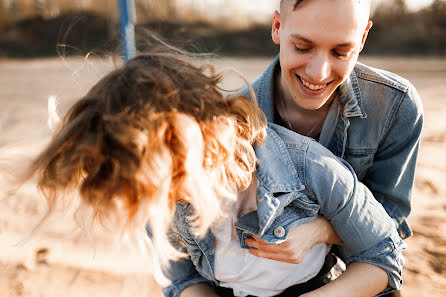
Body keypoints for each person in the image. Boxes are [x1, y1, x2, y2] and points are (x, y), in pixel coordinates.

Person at [17, 52, 404, 297]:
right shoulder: (161, 199)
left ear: (203, 140)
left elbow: (383, 256)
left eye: (171, 186)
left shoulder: (310, 167)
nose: (165, 205)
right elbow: (181, 277)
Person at [237, 1, 423, 296]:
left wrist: (320, 231)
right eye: (302, 46)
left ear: (362, 38)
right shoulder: (230, 117)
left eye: (341, 52)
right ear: (277, 27)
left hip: (359, 274)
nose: (319, 73)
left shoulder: (396, 105)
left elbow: (391, 223)